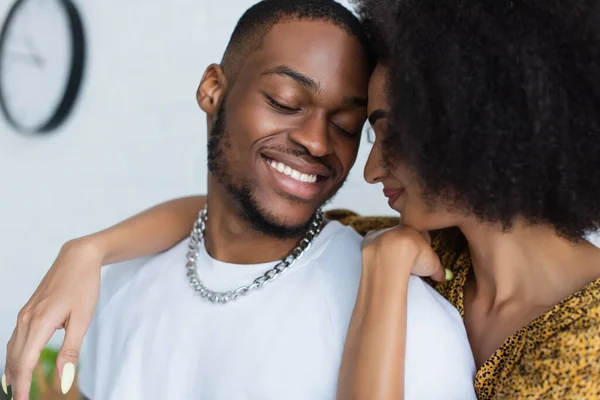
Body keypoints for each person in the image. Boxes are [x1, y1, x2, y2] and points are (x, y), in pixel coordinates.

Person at [3, 1, 477, 400]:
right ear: (213, 90)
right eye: (286, 101)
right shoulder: (115, 285)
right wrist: (90, 249)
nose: (316, 142)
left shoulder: (409, 327)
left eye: (346, 127)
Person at [338, 0, 600, 399]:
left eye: (391, 135)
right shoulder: (438, 252)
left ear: (475, 124)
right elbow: (252, 229)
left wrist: (386, 272)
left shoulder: (589, 344)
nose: (370, 171)